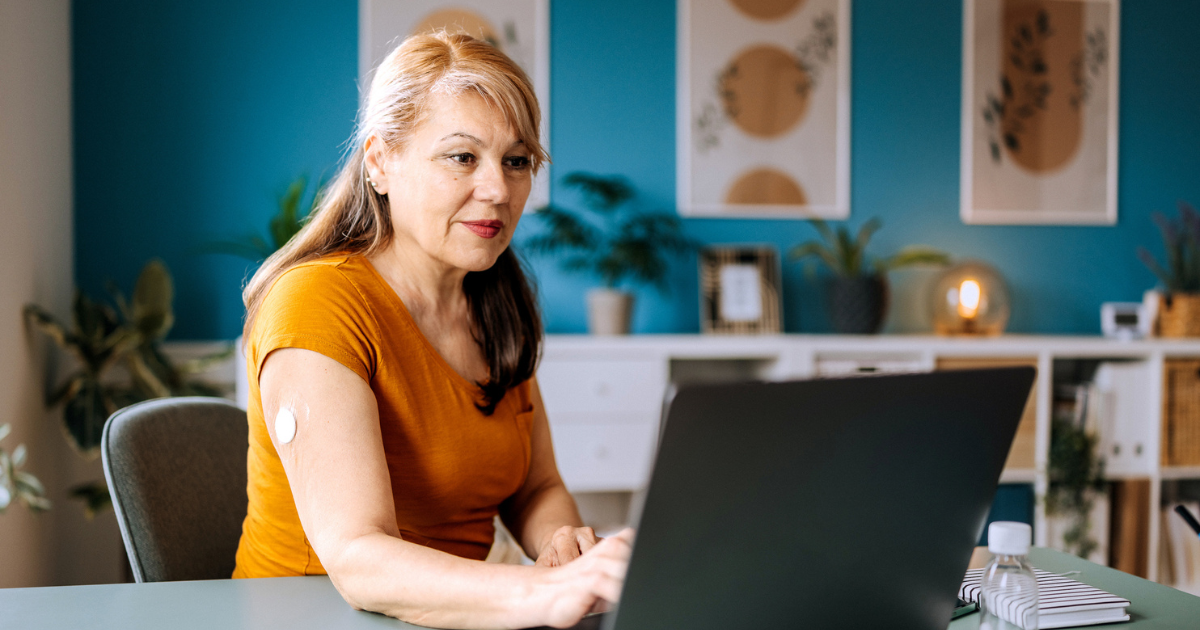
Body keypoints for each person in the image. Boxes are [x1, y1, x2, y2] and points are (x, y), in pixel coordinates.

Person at [233, 31, 633, 629]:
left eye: (516, 160)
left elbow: (536, 485)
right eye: (462, 157)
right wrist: (539, 596)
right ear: (380, 162)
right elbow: (357, 557)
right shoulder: (316, 303)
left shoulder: (496, 298)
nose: (498, 190)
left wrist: (564, 550)